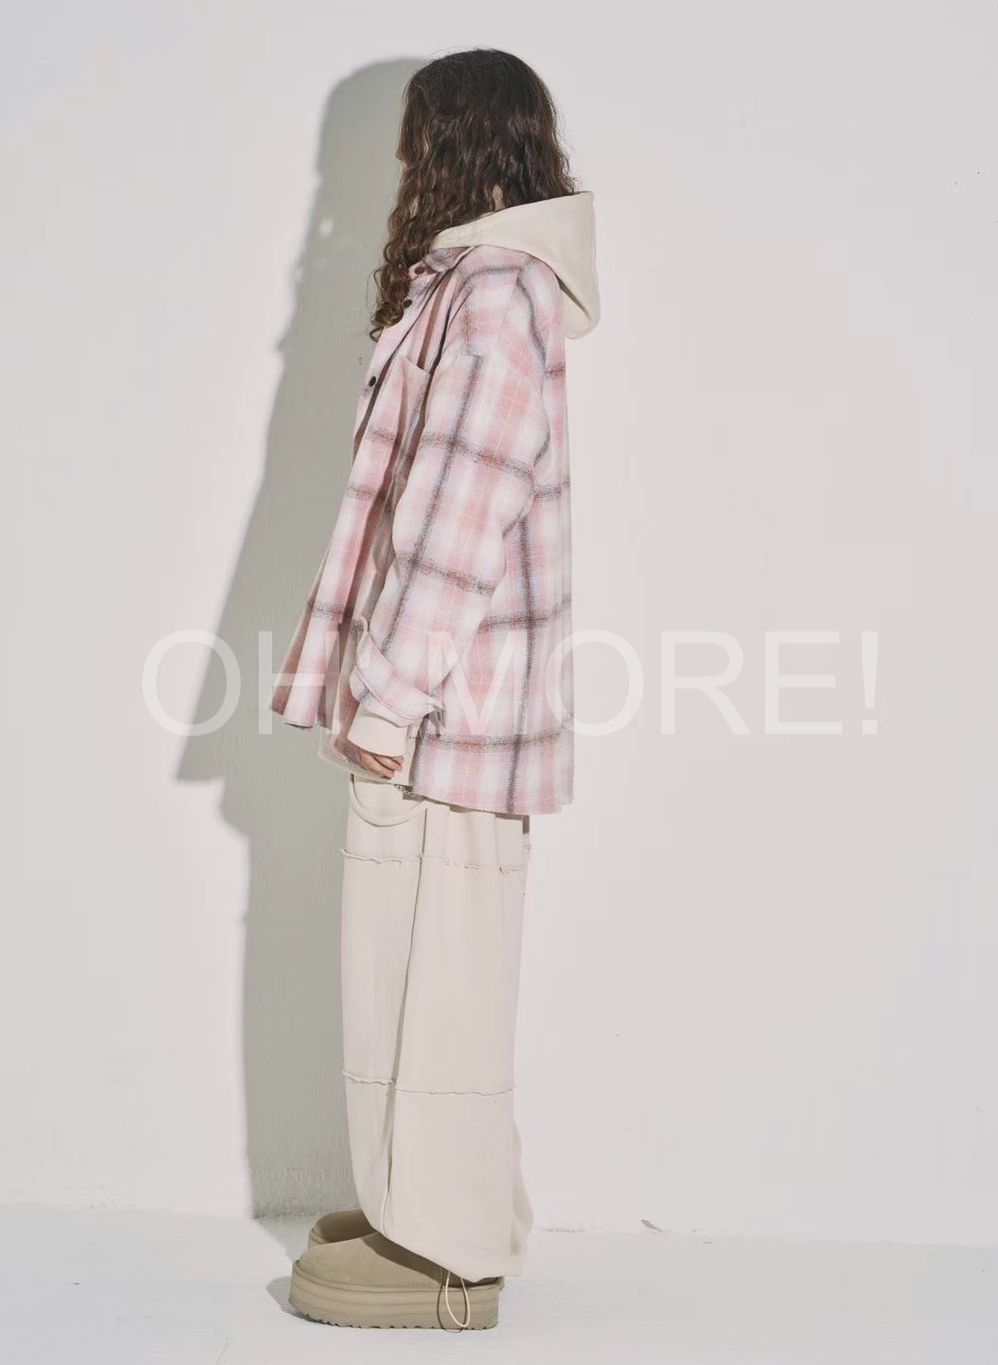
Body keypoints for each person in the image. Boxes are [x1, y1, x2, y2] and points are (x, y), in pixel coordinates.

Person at [270, 46, 599, 1331]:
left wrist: (392, 698)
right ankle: (429, 1208)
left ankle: (450, 1264)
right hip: (442, 711)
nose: (402, 164)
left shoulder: (497, 293)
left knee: (441, 984)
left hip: (447, 718)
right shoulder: (476, 286)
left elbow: (459, 515)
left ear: (452, 142)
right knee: (414, 974)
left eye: (416, 139)